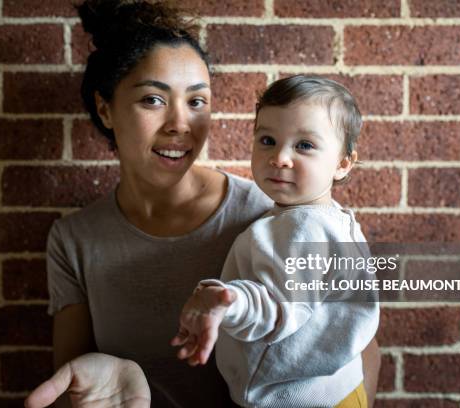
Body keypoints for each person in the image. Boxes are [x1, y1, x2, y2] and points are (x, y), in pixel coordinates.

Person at [24, 1, 381, 407]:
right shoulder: (74, 239)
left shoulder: (271, 213)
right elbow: (67, 386)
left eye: (197, 101)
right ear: (106, 108)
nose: (180, 123)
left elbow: (357, 350)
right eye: (153, 100)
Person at [171, 75, 379, 408]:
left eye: (305, 146)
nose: (280, 157)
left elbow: (278, 305)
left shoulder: (302, 227)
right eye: (267, 140)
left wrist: (228, 301)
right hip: (337, 387)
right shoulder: (330, 219)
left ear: (342, 164)